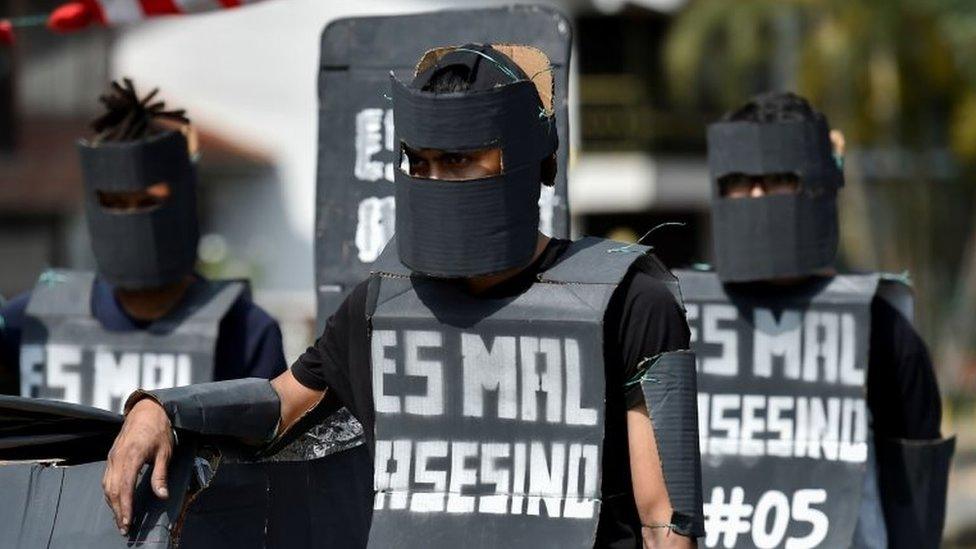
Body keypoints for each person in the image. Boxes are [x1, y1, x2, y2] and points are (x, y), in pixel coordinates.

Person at [102, 45, 705, 548]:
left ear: (534, 160)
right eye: (420, 163)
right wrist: (162, 409)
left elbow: (664, 522)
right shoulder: (382, 306)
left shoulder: (630, 299)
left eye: (460, 160)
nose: (436, 182)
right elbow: (277, 406)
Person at [680, 91, 951, 548]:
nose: (757, 195)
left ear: (821, 186)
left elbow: (913, 499)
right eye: (741, 180)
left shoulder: (881, 329)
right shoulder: (676, 317)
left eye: (779, 178)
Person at [0, 79, 287, 411]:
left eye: (148, 201)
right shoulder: (32, 320)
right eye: (115, 202)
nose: (131, 216)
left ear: (185, 201)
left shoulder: (244, 332)